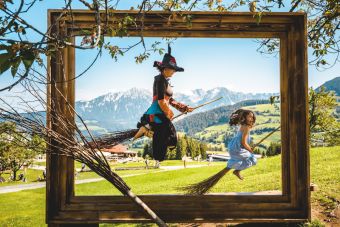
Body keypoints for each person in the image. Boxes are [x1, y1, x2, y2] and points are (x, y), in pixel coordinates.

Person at [133, 45, 193, 168]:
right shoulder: (160, 80)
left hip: (161, 112)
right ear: (165, 68)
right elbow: (161, 100)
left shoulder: (165, 81)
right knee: (166, 137)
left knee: (170, 139)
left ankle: (147, 129)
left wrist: (183, 108)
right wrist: (168, 112)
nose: (174, 71)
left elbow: (169, 99)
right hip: (157, 113)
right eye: (172, 69)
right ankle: (156, 160)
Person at [225, 109, 257, 180]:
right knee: (253, 159)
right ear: (245, 117)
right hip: (237, 148)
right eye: (249, 117)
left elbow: (242, 142)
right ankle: (237, 171)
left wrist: (248, 148)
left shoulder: (243, 125)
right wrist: (250, 149)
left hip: (233, 147)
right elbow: (243, 142)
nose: (251, 118)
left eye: (252, 117)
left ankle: (237, 171)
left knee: (248, 158)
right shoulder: (247, 127)